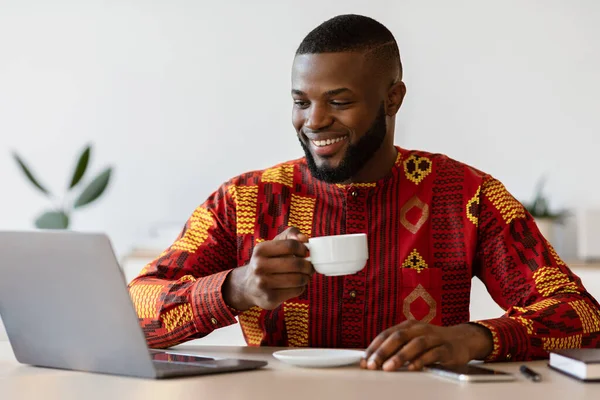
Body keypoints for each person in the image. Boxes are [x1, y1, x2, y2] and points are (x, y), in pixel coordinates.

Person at [128, 14, 600, 372]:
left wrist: (474, 339)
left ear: (393, 98)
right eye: (301, 101)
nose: (313, 121)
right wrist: (236, 288)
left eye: (339, 101)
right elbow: (134, 309)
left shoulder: (468, 197)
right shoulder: (246, 199)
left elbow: (582, 316)